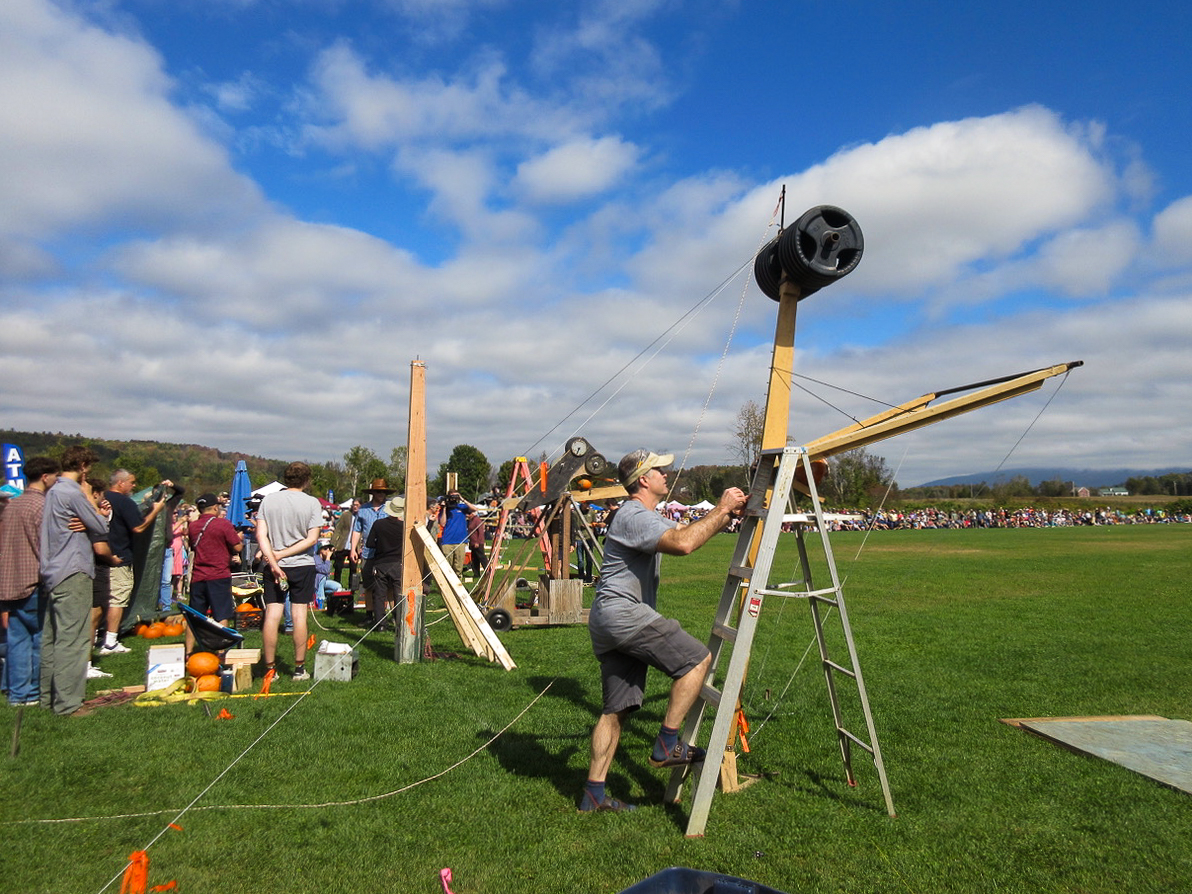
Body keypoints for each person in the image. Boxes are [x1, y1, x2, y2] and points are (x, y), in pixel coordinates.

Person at [580, 449, 747, 812]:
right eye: (660, 470)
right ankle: (668, 745)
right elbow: (684, 543)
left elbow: (687, 534)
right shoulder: (634, 514)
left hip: (608, 619)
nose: (666, 475)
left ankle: (593, 796)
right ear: (644, 479)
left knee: (615, 711)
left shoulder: (637, 516)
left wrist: (723, 518)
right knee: (696, 660)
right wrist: (721, 508)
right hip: (624, 615)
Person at [40, 446, 112, 716]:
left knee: (53, 637)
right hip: (73, 570)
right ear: (82, 465)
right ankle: (69, 704)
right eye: (88, 468)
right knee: (74, 638)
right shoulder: (72, 492)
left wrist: (89, 519)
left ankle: (48, 696)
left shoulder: (53, 492)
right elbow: (101, 527)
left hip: (52, 570)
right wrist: (95, 511)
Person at [0, 456, 60, 706]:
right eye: (55, 477)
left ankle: (16, 693)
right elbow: (46, 546)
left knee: (16, 641)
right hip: (34, 581)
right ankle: (33, 691)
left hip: (9, 581)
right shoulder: (43, 506)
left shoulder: (11, 506)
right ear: (45, 477)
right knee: (39, 639)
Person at [256, 462, 322, 681]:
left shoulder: (268, 500)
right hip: (301, 564)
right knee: (299, 614)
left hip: (274, 565)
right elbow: (312, 539)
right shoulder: (312, 503)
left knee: (273, 615)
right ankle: (299, 669)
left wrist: (274, 561)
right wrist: (281, 556)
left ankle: (270, 668)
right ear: (307, 480)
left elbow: (260, 535)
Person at [100, 469, 173, 655]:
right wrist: (156, 510)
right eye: (131, 482)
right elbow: (139, 527)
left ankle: (95, 636)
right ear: (120, 483)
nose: (134, 486)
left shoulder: (99, 499)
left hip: (99, 557)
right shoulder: (125, 502)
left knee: (99, 600)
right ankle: (110, 640)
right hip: (120, 556)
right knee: (118, 599)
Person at [185, 493, 243, 655]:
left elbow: (192, 546)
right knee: (221, 614)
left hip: (198, 576)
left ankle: (188, 652)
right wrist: (239, 538)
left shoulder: (193, 526)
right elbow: (237, 548)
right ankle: (220, 651)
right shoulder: (223, 524)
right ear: (216, 507)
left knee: (194, 616)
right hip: (219, 574)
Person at [351, 480, 395, 623]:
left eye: (383, 492)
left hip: (387, 553)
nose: (381, 494)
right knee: (368, 584)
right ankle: (369, 615)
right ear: (372, 493)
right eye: (378, 491)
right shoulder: (363, 510)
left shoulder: (391, 508)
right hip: (368, 553)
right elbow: (357, 530)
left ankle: (392, 615)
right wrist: (353, 549)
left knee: (389, 585)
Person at [364, 495, 405, 630]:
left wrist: (381, 544)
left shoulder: (378, 524)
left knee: (379, 594)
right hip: (398, 563)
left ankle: (380, 623)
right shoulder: (404, 527)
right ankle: (400, 622)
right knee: (398, 594)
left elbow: (369, 543)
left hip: (381, 562)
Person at [436, 489, 481, 578]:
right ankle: (447, 584)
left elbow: (475, 509)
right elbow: (442, 523)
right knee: (447, 565)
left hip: (460, 540)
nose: (454, 498)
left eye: (455, 496)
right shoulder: (446, 508)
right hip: (447, 541)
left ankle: (458, 584)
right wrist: (444, 508)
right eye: (452, 496)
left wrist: (462, 498)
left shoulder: (461, 507)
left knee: (458, 566)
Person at [330, 499, 359, 585]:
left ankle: (352, 588)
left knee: (353, 569)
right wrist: (333, 543)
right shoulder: (346, 515)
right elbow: (338, 529)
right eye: (354, 505)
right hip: (343, 545)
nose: (355, 507)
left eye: (357, 505)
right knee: (338, 567)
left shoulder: (362, 517)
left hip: (354, 547)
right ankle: (336, 586)